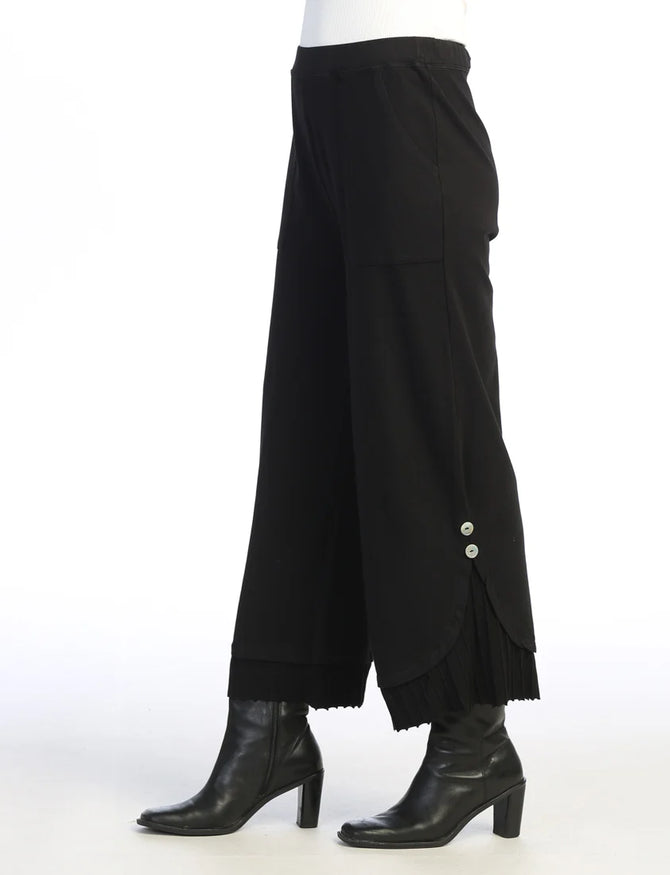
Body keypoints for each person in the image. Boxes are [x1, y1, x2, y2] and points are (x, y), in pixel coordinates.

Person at [137, 0, 540, 849]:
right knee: (306, 426)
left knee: (432, 430)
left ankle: (473, 739)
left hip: (412, 95)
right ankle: (268, 729)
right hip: (323, 98)